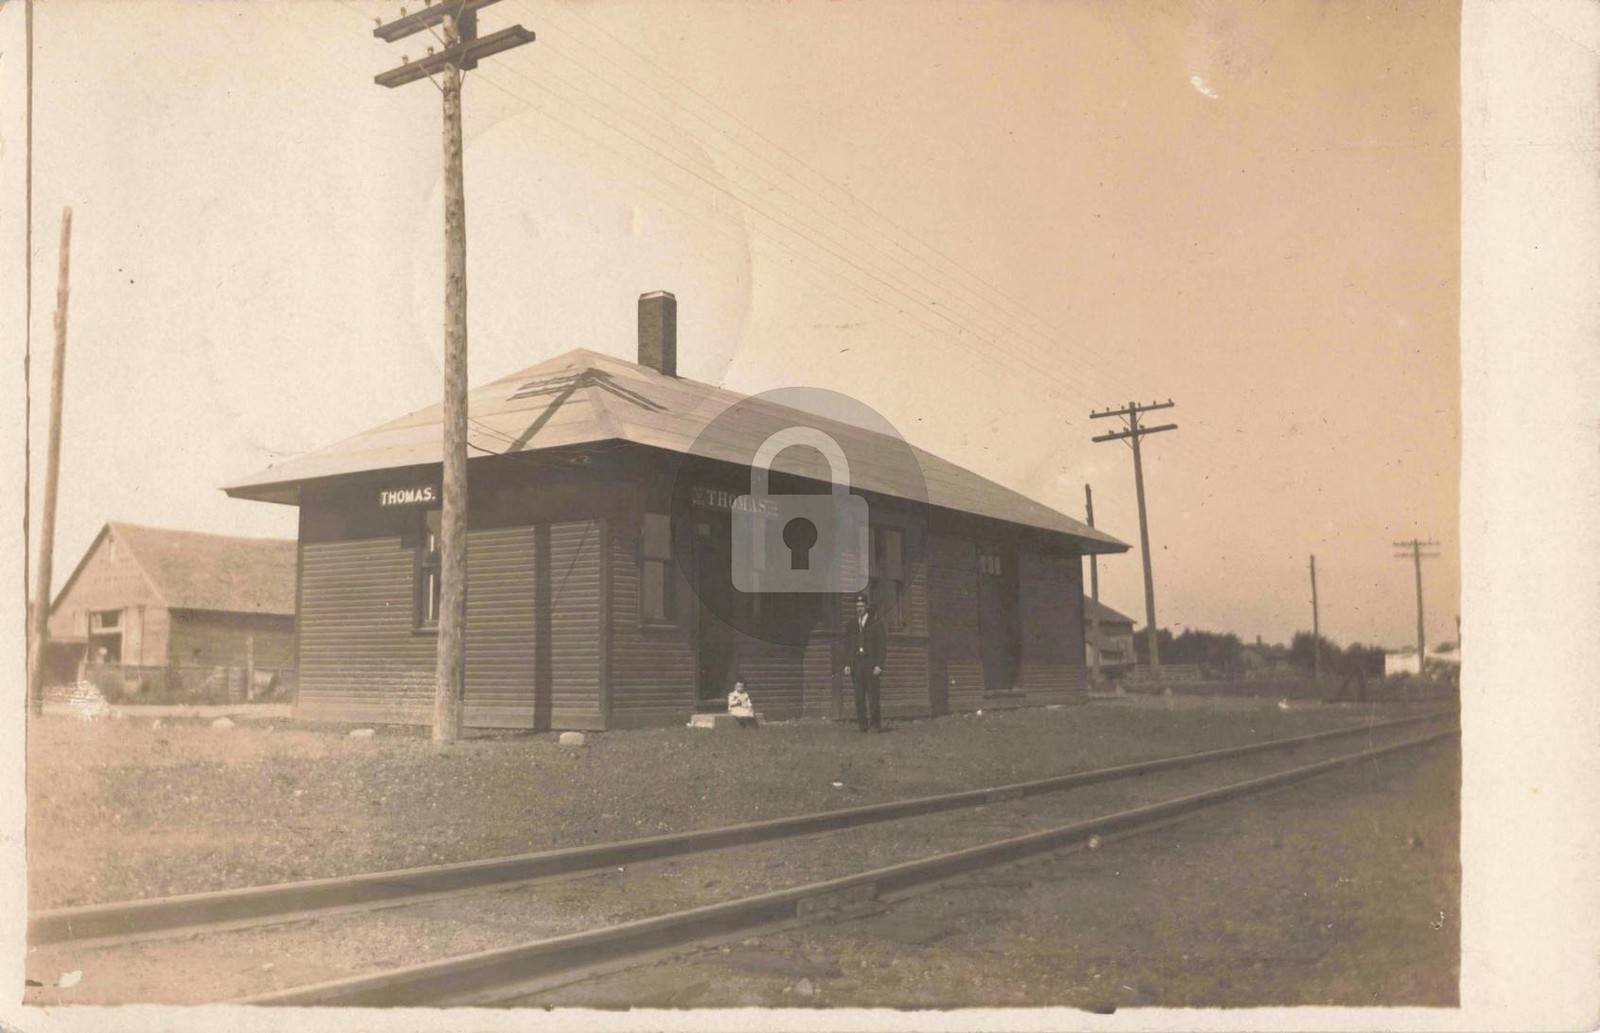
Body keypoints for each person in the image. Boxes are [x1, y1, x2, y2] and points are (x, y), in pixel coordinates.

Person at [841, 594, 886, 732]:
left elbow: (881, 646)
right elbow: (848, 646)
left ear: (866, 607)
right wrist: (847, 664)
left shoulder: (876, 623)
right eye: (857, 607)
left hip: (871, 664)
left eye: (861, 606)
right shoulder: (851, 625)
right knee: (859, 696)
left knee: (873, 695)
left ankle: (875, 725)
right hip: (857, 664)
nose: (859, 609)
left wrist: (879, 665)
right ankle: (863, 725)